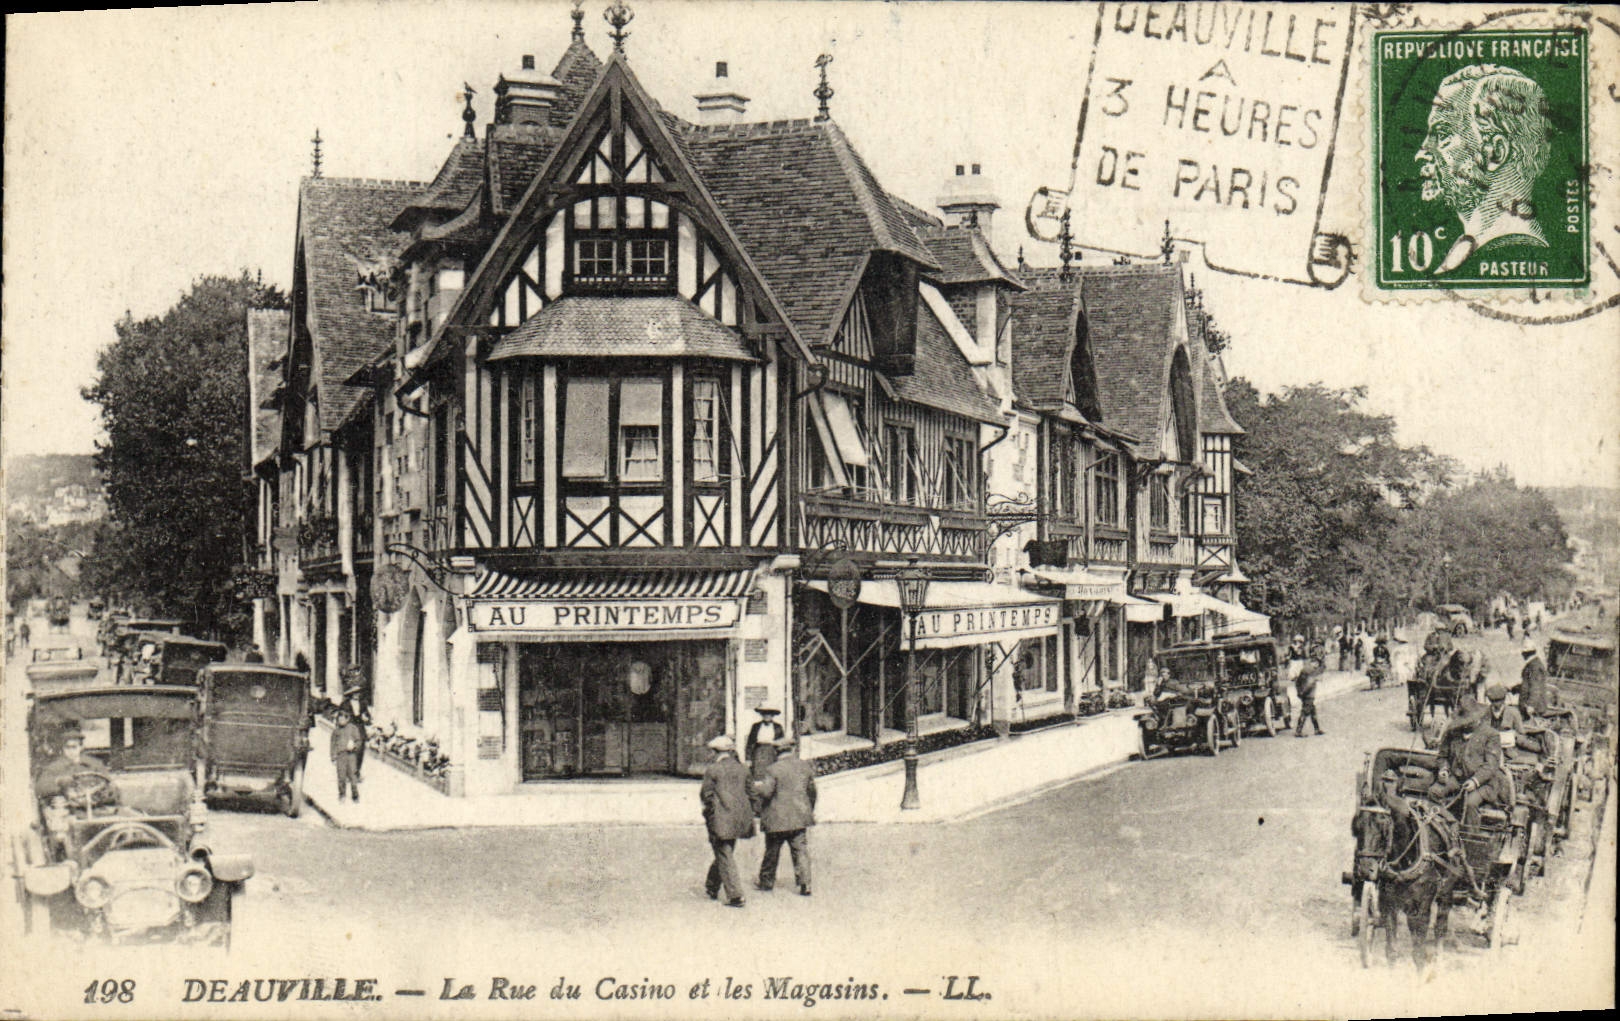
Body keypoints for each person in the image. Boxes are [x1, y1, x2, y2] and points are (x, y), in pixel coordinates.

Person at [1415, 64, 1555, 274]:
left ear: (1496, 152)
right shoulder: (1470, 250)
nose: (1420, 154)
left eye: (1442, 135)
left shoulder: (1510, 253)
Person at [753, 735, 817, 896]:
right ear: (793, 749)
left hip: (776, 819)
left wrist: (756, 788)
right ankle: (805, 884)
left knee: (772, 852)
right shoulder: (804, 766)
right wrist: (807, 810)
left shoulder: (773, 769)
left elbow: (767, 792)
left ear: (777, 751)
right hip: (799, 817)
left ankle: (766, 882)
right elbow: (812, 793)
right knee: (800, 851)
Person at [1427, 704, 1509, 825]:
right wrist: (1443, 769)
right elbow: (1442, 756)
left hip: (1485, 783)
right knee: (1434, 792)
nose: (1465, 725)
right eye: (1463, 722)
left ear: (1478, 719)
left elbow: (1491, 765)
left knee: (1471, 803)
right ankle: (1448, 825)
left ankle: (1470, 837)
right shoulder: (1452, 733)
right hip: (1456, 778)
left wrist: (1475, 781)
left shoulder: (1491, 735)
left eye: (1469, 722)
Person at [700, 734, 753, 907]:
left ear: (716, 752)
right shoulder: (743, 768)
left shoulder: (713, 770)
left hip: (720, 817)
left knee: (724, 853)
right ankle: (712, 885)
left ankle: (736, 895)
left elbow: (706, 795)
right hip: (738, 819)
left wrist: (709, 813)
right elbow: (751, 793)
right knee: (725, 852)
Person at [34, 728, 113, 801]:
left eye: (74, 747)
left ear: (81, 747)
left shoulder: (95, 764)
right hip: (68, 808)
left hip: (95, 805)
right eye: (67, 747)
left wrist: (103, 793)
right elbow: (39, 788)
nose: (71, 751)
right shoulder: (54, 767)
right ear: (62, 748)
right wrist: (59, 782)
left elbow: (110, 785)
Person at [745, 707, 783, 813]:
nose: (767, 716)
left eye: (769, 714)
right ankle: (758, 808)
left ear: (772, 716)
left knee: (771, 779)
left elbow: (782, 744)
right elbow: (750, 744)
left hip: (772, 754)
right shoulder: (756, 727)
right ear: (762, 715)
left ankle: (771, 808)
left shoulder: (778, 727)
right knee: (758, 780)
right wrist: (748, 758)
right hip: (758, 754)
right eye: (765, 714)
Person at [341, 674, 372, 782]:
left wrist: (366, 718)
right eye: (355, 693)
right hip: (349, 729)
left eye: (358, 692)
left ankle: (356, 772)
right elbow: (342, 718)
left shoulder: (363, 703)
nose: (357, 695)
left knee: (360, 751)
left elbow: (368, 716)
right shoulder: (345, 704)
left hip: (360, 729)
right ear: (351, 694)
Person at [331, 708, 364, 803]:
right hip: (341, 755)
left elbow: (358, 741)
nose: (341, 721)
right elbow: (332, 744)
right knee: (341, 777)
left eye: (343, 719)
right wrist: (333, 757)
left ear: (347, 719)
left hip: (351, 756)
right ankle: (342, 795)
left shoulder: (353, 728)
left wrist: (354, 746)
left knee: (353, 776)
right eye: (339, 720)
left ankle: (355, 795)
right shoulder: (336, 731)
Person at [1295, 644, 1325, 737]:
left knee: (1313, 711)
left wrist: (1299, 692)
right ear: (1315, 662)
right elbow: (1309, 684)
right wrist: (1304, 692)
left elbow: (1298, 682)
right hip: (1309, 695)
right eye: (1317, 664)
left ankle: (1317, 729)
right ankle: (1298, 731)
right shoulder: (1312, 671)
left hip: (1303, 694)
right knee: (1305, 712)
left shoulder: (1305, 669)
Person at [1518, 639, 1550, 719]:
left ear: (1526, 653)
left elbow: (1536, 687)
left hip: (1535, 709)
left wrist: (1531, 705)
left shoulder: (1534, 667)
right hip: (1529, 706)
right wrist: (1514, 689)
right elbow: (1527, 684)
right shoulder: (1533, 664)